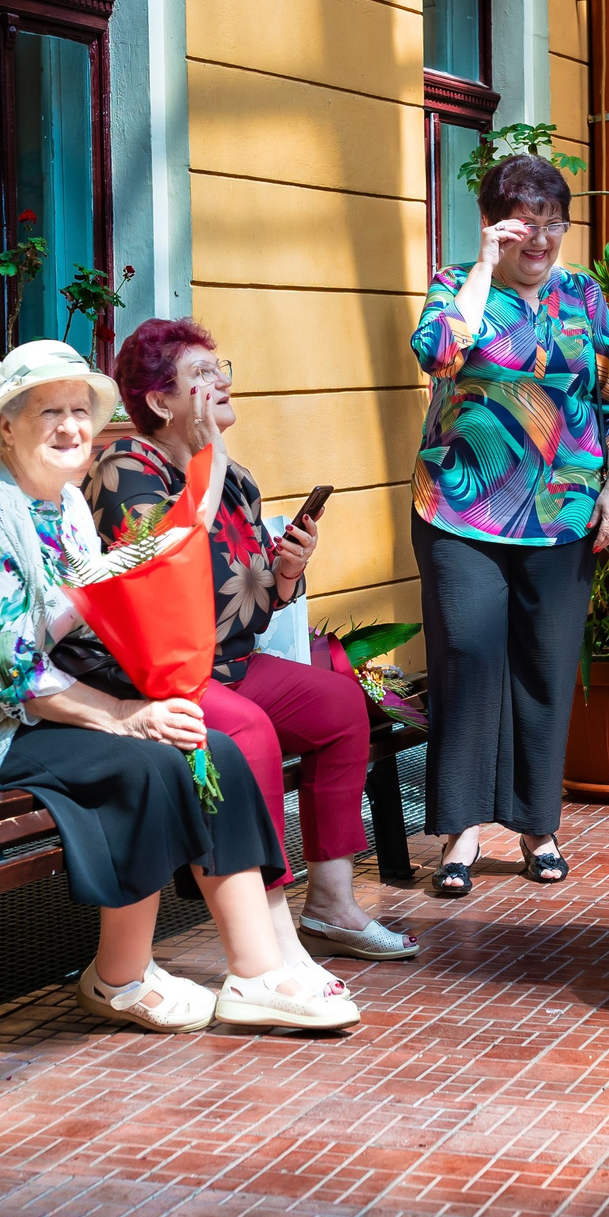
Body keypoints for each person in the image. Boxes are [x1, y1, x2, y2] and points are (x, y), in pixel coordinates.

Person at [0, 339, 359, 1034]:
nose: (71, 427)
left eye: (80, 410)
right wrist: (125, 714)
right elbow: (12, 676)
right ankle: (119, 976)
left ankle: (257, 970)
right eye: (49, 411)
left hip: (48, 705)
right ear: (8, 427)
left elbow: (127, 572)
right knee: (150, 761)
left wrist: (203, 478)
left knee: (209, 744)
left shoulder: (62, 509)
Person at [88, 317, 420, 976]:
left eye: (221, 367)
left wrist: (289, 571)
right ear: (159, 401)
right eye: (202, 375)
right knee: (254, 735)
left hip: (233, 665)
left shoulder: (235, 478)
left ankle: (330, 903)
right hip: (165, 680)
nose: (223, 381)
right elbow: (169, 560)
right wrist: (206, 464)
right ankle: (266, 933)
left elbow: (250, 603)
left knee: (339, 705)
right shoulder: (123, 471)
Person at [409, 153, 609, 897]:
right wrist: (481, 267)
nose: (540, 239)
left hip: (563, 513)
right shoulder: (457, 289)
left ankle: (538, 824)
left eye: (552, 223)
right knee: (468, 663)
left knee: (545, 664)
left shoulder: (584, 297)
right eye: (524, 224)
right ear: (495, 224)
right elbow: (437, 355)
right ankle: (462, 828)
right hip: (460, 510)